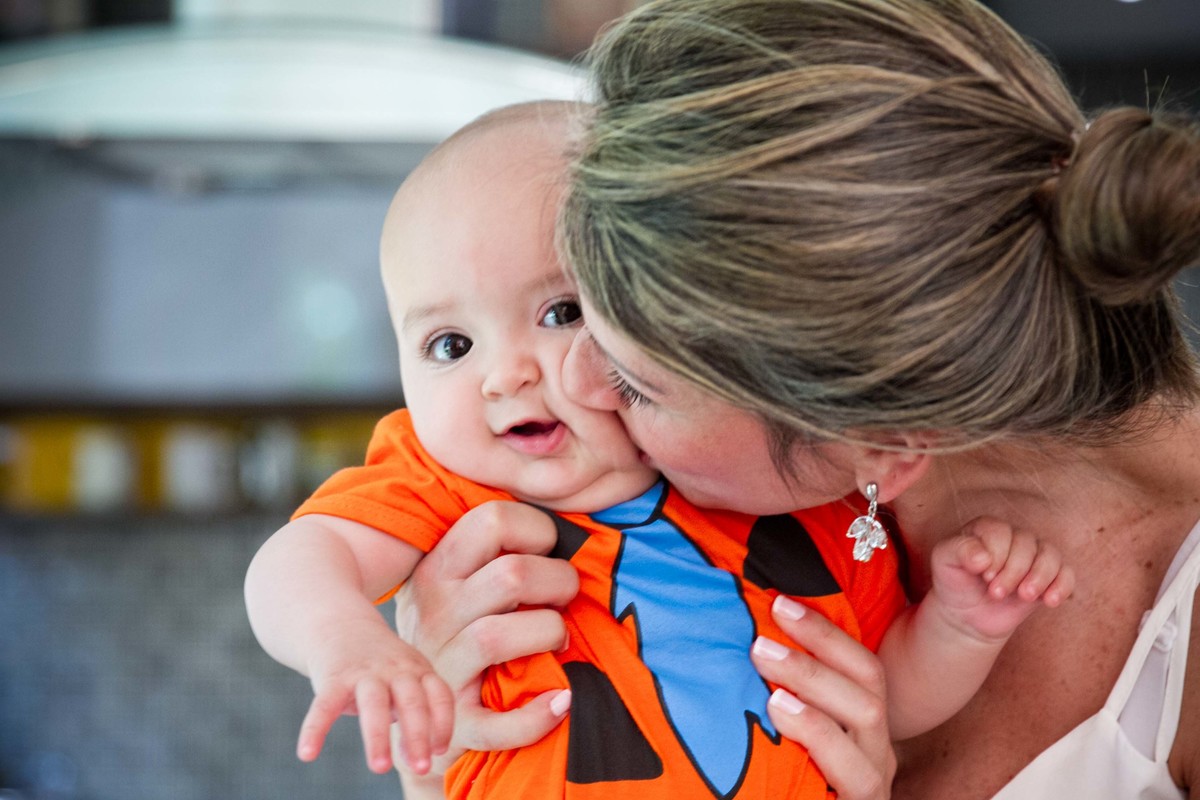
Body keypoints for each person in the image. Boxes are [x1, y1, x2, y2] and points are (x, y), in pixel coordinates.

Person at [386, 1, 1200, 799]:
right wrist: (445, 762)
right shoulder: (606, 487)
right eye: (575, 312)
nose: (576, 383)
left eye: (636, 383)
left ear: (885, 444)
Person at [243, 99, 1073, 798]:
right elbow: (302, 559)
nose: (505, 377)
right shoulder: (441, 482)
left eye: (562, 313)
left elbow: (880, 700)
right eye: (450, 346)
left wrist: (963, 627)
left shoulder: (794, 497)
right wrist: (349, 641)